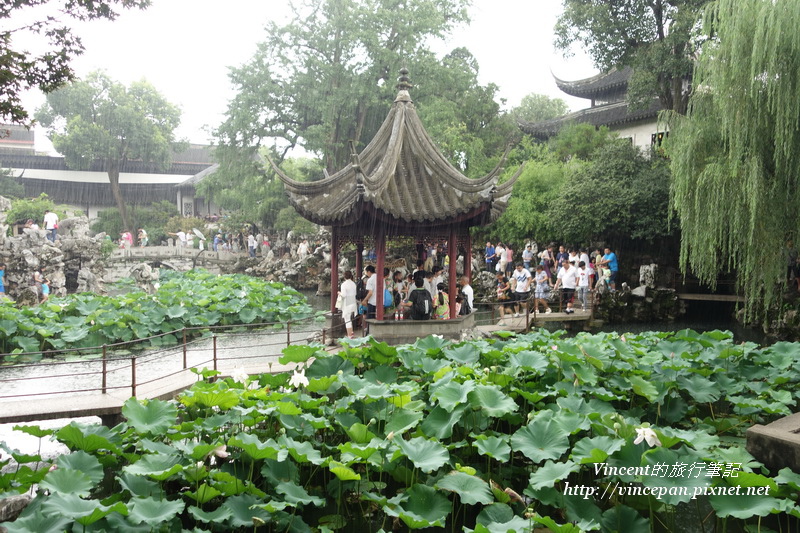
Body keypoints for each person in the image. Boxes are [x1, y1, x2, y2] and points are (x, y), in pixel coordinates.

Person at [340, 271, 358, 339]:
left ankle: (349, 335)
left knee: (347, 319)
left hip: (347, 302)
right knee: (349, 318)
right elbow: (355, 293)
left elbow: (344, 295)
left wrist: (339, 293)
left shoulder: (344, 284)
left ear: (344, 277)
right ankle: (351, 332)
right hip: (352, 301)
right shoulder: (354, 284)